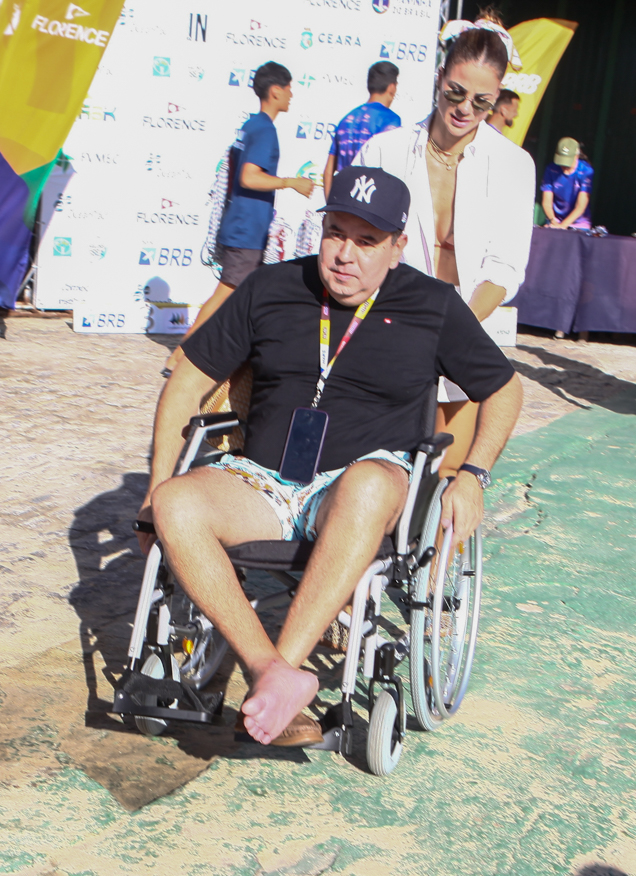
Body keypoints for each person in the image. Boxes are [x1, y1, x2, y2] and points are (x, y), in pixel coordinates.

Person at [135, 167, 523, 748]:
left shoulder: (432, 305)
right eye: (336, 233)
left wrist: (473, 474)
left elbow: (504, 389)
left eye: (366, 241)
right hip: (264, 480)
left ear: (397, 247)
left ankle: (281, 668)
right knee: (174, 503)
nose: (345, 254)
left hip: (360, 484)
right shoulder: (272, 287)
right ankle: (271, 671)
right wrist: (152, 486)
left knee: (367, 484)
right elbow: (187, 379)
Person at [354, 19, 534, 477]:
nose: (465, 108)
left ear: (497, 97)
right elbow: (354, 240)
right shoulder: (384, 151)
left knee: (443, 474)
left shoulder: (513, 164)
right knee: (372, 466)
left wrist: (451, 333)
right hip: (384, 331)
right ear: (439, 77)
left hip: (463, 330)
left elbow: (505, 267)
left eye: (482, 101)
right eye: (455, 92)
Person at [165, 62, 314, 369]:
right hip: (246, 230)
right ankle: (180, 356)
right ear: (276, 91)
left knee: (246, 295)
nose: (292, 94)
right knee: (226, 292)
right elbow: (248, 177)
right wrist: (291, 183)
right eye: (289, 88)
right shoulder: (265, 130)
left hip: (245, 227)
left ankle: (240, 355)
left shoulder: (251, 126)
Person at [323, 61, 400, 199]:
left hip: (344, 200)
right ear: (392, 87)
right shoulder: (391, 120)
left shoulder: (346, 120)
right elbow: (393, 168)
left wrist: (330, 205)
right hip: (372, 200)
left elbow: (328, 171)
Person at [541, 137, 593, 230]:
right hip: (555, 221)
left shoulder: (586, 171)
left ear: (576, 156)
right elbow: (547, 202)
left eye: (567, 161)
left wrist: (563, 225)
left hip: (579, 224)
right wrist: (553, 221)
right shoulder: (550, 169)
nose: (564, 166)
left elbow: (580, 206)